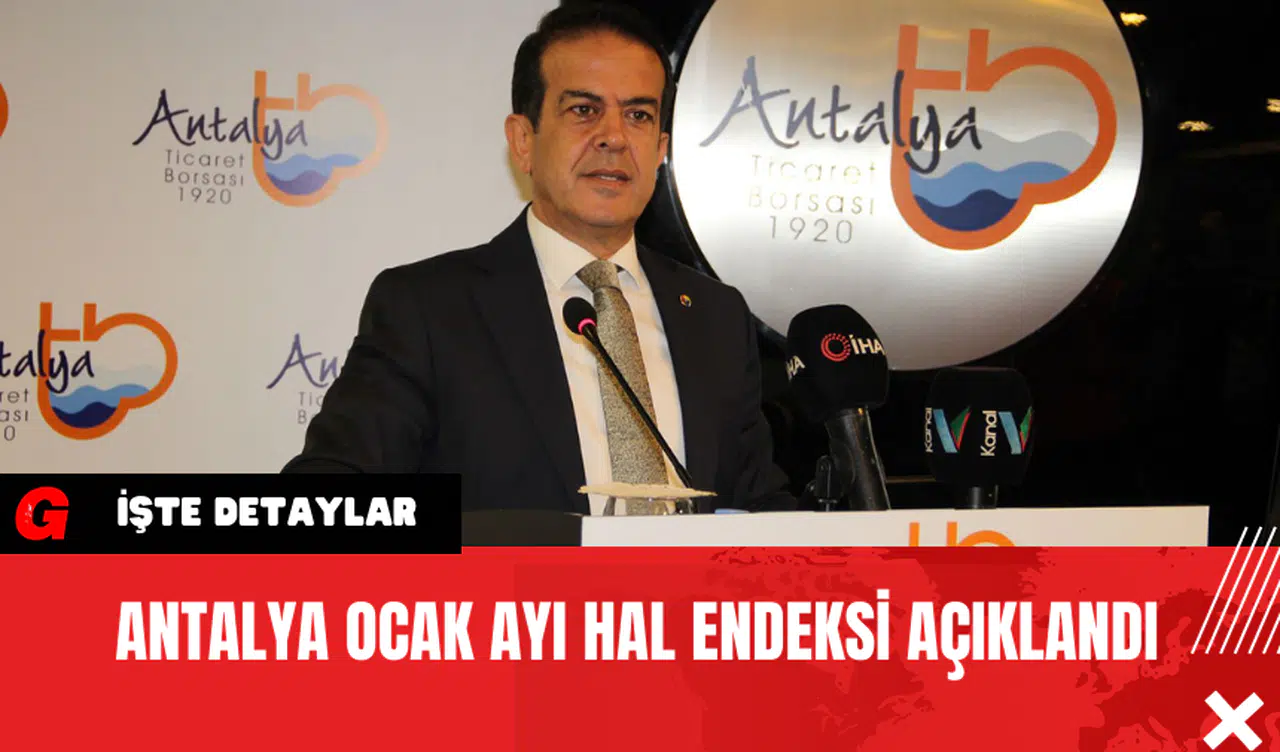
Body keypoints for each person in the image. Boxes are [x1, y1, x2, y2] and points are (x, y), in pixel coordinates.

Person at [283, 3, 796, 515]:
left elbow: (762, 510)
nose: (615, 137)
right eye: (584, 110)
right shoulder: (429, 309)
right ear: (523, 141)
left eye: (638, 115)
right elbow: (327, 498)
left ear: (661, 148)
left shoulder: (715, 316)